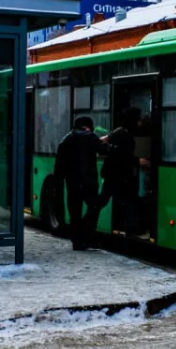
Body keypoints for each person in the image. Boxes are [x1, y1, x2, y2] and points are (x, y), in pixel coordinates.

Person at [53, 115, 109, 250]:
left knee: (74, 212)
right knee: (94, 207)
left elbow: (59, 165)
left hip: (72, 183)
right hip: (89, 182)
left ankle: (77, 242)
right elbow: (105, 150)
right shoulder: (90, 137)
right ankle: (87, 236)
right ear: (87, 127)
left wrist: (60, 179)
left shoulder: (66, 140)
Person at [98, 107, 148, 236]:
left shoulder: (123, 132)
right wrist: (137, 161)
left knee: (129, 199)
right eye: (139, 119)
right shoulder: (122, 134)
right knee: (104, 201)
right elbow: (121, 155)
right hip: (115, 175)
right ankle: (87, 226)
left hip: (118, 175)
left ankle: (131, 228)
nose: (140, 123)